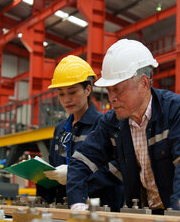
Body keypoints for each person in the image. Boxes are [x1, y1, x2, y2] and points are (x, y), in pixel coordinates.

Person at [66, 39, 180, 217]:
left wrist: (179, 216)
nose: (112, 98)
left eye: (117, 89)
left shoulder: (177, 111)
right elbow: (80, 162)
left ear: (143, 84)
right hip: (149, 214)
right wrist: (77, 203)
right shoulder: (111, 122)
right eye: (109, 90)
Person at [37, 55, 123, 211]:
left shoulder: (104, 125)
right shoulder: (61, 130)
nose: (66, 99)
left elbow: (117, 168)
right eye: (61, 94)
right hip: (65, 207)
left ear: (87, 89)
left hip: (100, 207)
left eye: (72, 92)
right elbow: (53, 168)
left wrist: (76, 178)